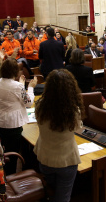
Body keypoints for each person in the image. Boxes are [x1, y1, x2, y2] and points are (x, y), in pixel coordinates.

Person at [34, 69, 83, 202]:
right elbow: (78, 129)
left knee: (52, 190)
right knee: (64, 196)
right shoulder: (74, 111)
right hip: (67, 159)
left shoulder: (39, 107)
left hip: (45, 158)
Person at [0, 58, 37, 174]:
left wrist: (21, 84)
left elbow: (13, 95)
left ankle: (5, 172)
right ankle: (11, 176)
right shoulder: (16, 86)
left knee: (5, 149)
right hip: (12, 124)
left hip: (0, 121)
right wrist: (31, 87)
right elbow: (28, 102)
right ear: (14, 71)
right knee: (13, 153)